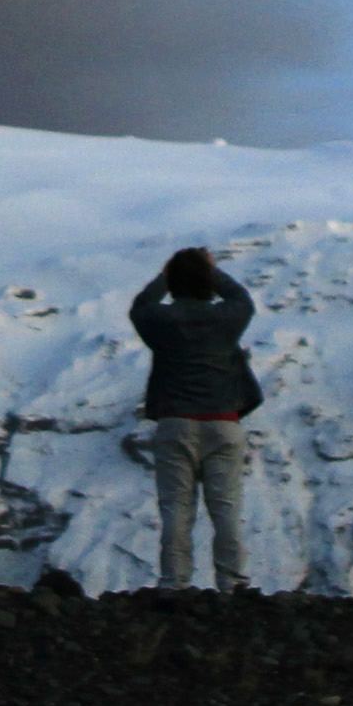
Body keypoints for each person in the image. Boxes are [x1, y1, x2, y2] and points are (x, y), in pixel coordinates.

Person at [132, 245, 261, 591]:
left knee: (176, 508)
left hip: (175, 423)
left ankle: (174, 582)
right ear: (207, 282)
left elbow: (140, 307)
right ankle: (232, 582)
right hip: (223, 422)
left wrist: (167, 274)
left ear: (174, 284)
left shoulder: (161, 322)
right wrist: (210, 270)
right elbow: (242, 298)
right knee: (226, 509)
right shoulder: (228, 319)